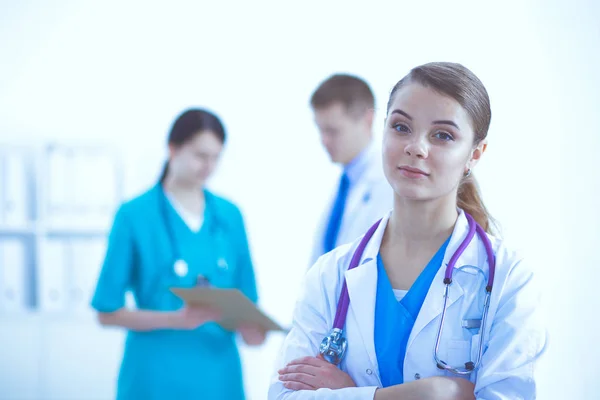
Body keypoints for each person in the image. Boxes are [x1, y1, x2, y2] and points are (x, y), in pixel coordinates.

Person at [270, 62, 546, 400]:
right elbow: (285, 395)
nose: (416, 147)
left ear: (475, 154)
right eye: (401, 127)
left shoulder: (507, 279)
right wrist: (426, 393)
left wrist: (348, 393)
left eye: (442, 135)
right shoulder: (332, 273)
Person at [91, 108, 266, 400]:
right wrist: (175, 319)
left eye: (215, 157)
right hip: (154, 378)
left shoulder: (230, 216)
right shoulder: (134, 215)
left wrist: (254, 330)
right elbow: (106, 313)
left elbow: (249, 306)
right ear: (173, 149)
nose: (208, 166)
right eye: (200, 155)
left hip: (219, 379)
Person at [308, 74, 393, 266]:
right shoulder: (345, 184)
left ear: (367, 120)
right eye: (320, 130)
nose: (324, 140)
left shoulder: (390, 184)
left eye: (332, 131)